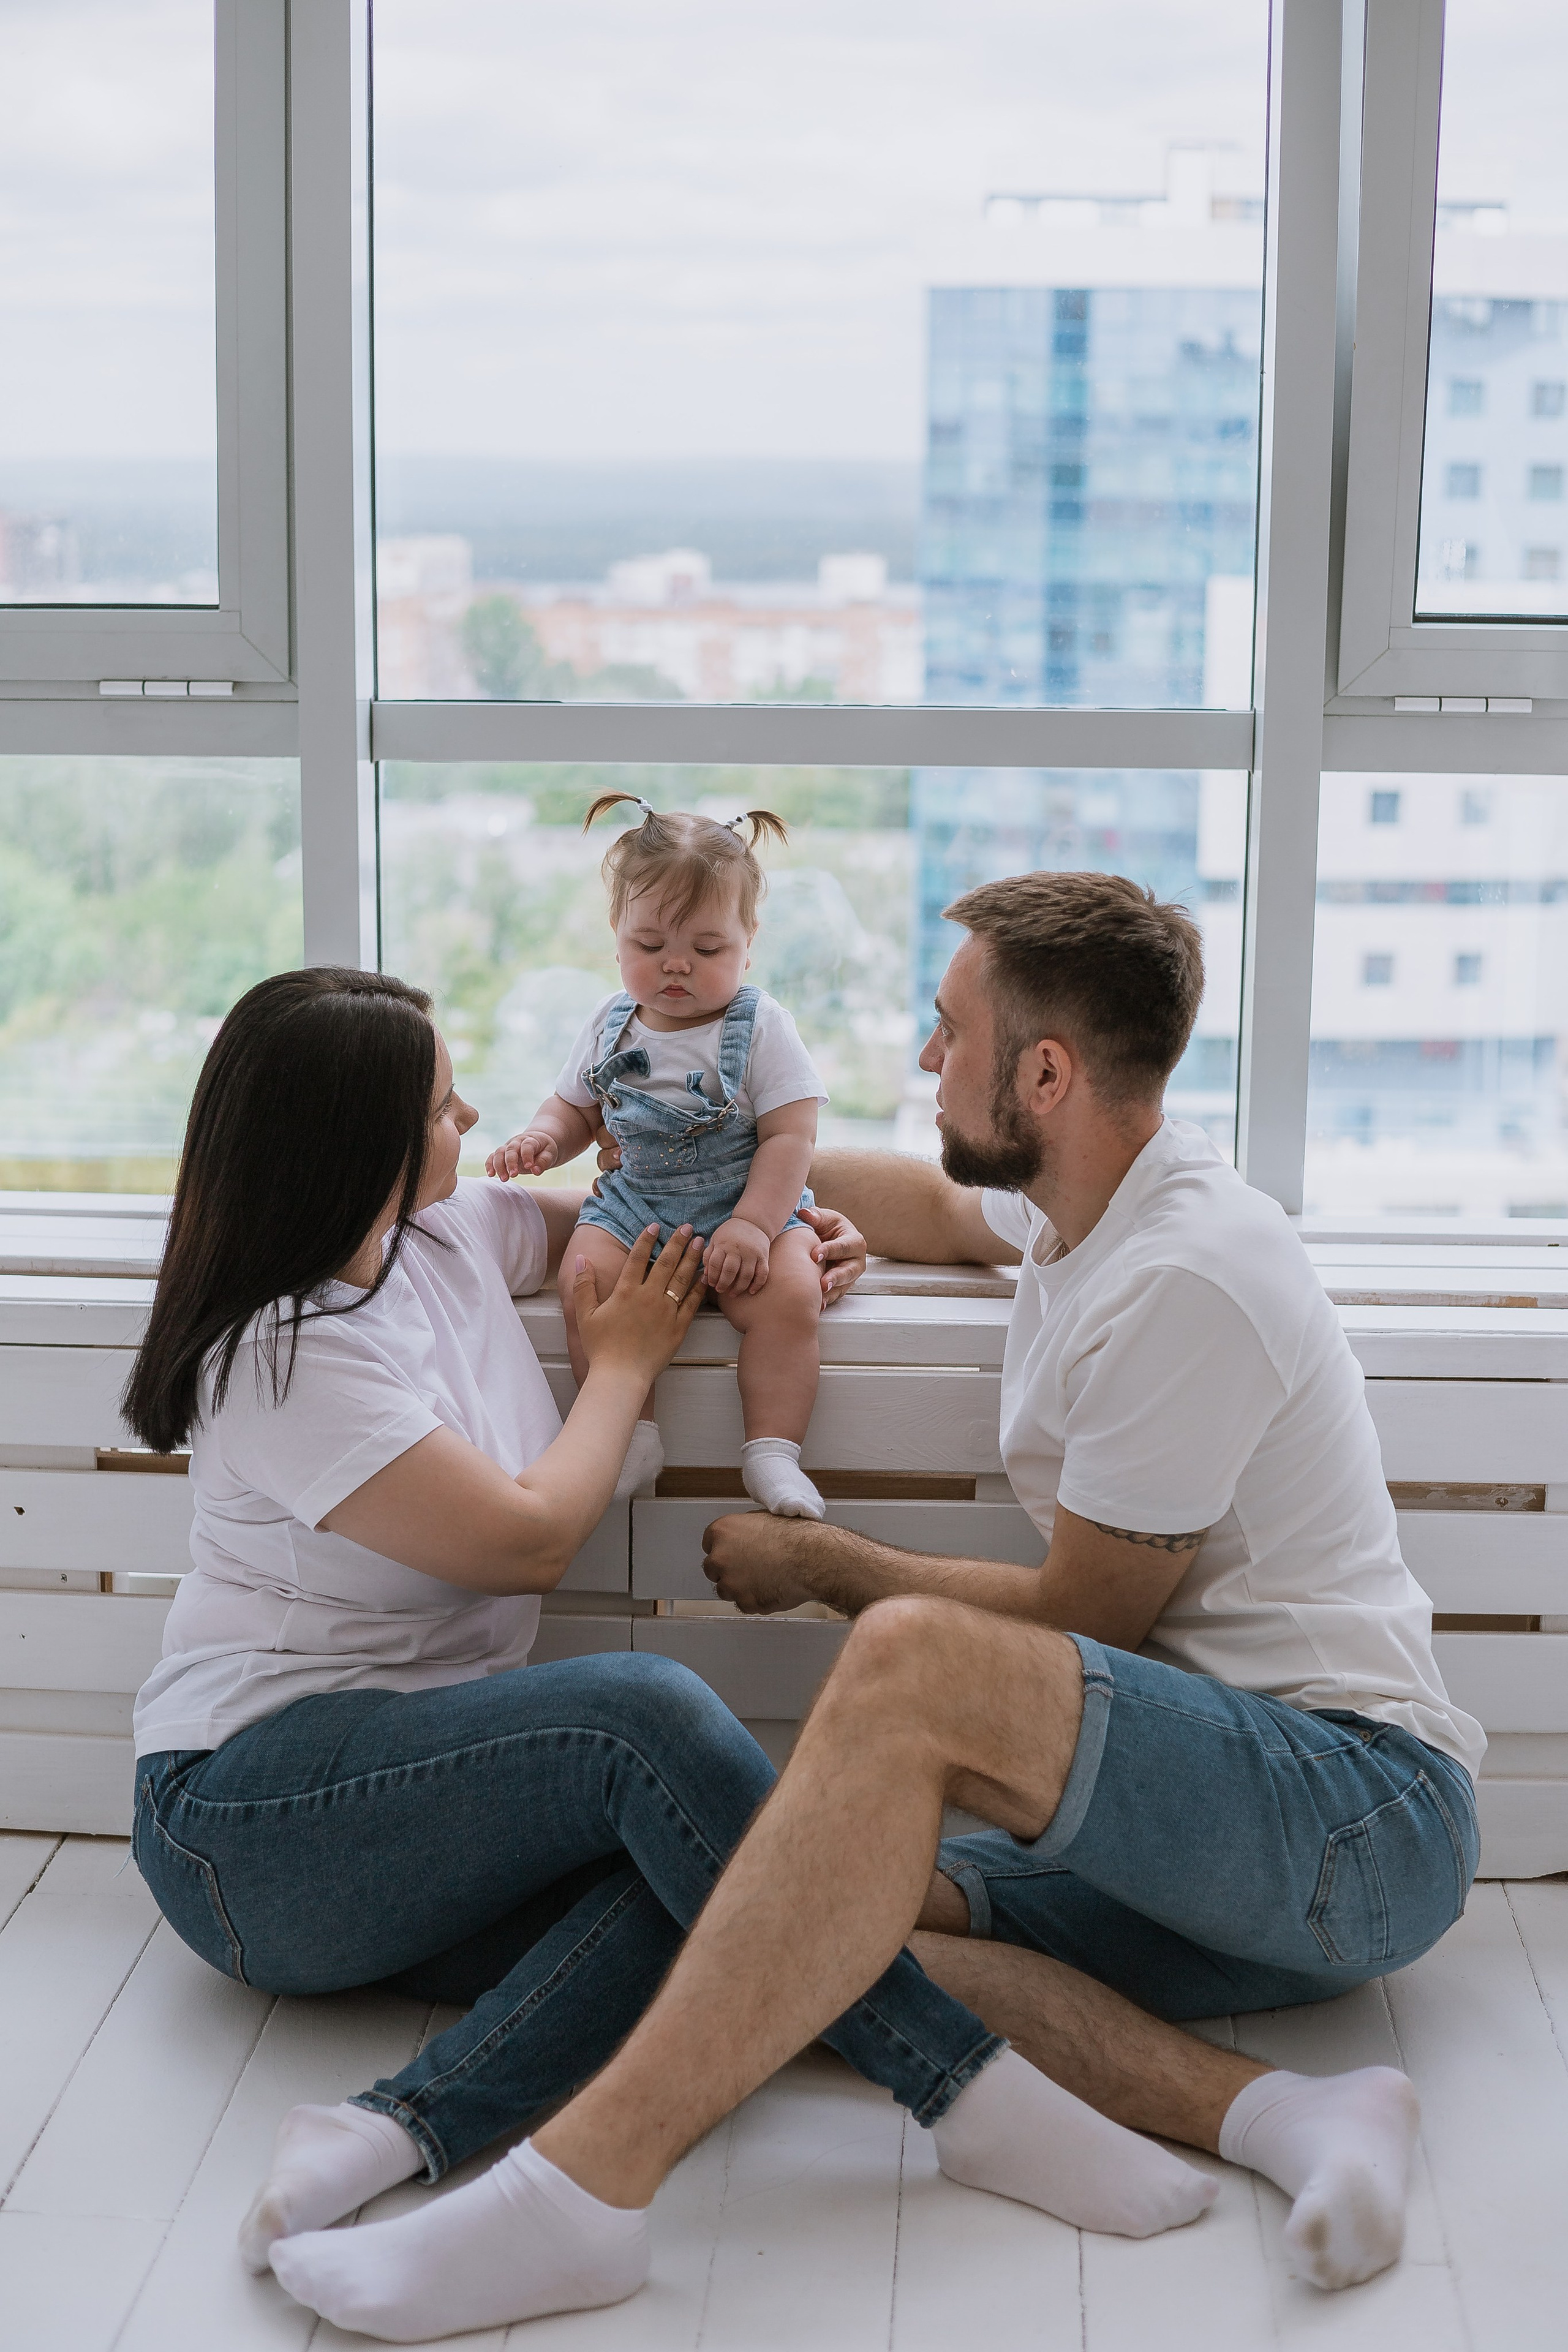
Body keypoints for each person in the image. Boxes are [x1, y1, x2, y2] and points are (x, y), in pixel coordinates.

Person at [263, 876, 1485, 2342]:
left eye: (945, 1030)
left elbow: (1080, 1613)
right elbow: (910, 1194)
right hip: (1191, 1826)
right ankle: (1285, 2113)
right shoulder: (1081, 1200)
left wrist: (826, 1565)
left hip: (1348, 1811)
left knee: (905, 1660)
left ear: (1043, 1072)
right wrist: (751, 1214)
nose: (920, 1059)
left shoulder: (1189, 1273)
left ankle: (578, 2196)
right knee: (796, 1903)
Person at [122, 963, 1215, 2332]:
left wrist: (788, 1234)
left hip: (413, 1815)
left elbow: (653, 1226)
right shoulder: (282, 1353)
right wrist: (625, 1365)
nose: (472, 1117)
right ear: (354, 1144)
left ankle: (398, 2130)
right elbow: (524, 1538)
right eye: (442, 1101)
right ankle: (969, 2093)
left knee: (704, 1888)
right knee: (644, 1710)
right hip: (253, 1822)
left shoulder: (448, 1237)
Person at [487, 793, 831, 1520]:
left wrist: (754, 1225)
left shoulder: (761, 1023)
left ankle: (772, 1451)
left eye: (707, 950)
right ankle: (629, 1434)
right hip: (636, 1203)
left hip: (744, 1201)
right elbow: (577, 1108)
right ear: (616, 935)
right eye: (650, 947)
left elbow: (790, 1137)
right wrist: (546, 1138)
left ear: (748, 941)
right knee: (583, 1278)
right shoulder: (609, 1022)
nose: (676, 966)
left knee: (792, 1297)